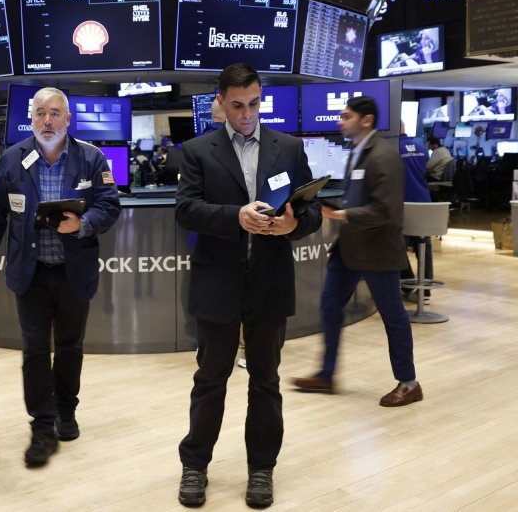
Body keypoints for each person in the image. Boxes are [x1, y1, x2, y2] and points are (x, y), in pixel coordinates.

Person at [175, 63, 322, 508]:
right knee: (210, 380)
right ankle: (195, 464)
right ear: (221, 101)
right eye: (237, 105)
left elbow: (311, 211)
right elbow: (185, 210)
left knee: (265, 382)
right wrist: (235, 217)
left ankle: (262, 469)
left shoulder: (289, 148)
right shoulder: (199, 150)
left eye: (254, 104)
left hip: (269, 283)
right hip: (217, 282)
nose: (246, 114)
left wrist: (296, 222)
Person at [0, 87, 121, 468]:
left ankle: (66, 409)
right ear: (31, 118)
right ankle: (42, 426)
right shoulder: (13, 159)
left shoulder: (92, 158)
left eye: (55, 113)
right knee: (35, 349)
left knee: (71, 346)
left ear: (68, 119)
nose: (47, 120)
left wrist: (84, 222)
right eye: (40, 113)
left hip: (74, 272)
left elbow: (110, 205)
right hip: (31, 273)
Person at [293, 96, 423, 408]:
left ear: (365, 120)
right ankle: (326, 374)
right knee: (329, 306)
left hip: (378, 250)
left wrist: (338, 215)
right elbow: (358, 201)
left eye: (346, 116)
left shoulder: (384, 156)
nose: (340, 121)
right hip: (349, 250)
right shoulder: (358, 151)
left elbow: (386, 211)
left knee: (393, 317)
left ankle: (409, 382)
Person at [400, 132, 433, 304]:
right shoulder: (421, 147)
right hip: (423, 202)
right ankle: (426, 292)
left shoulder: (393, 148)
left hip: (403, 204)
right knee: (424, 249)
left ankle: (407, 285)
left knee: (399, 248)